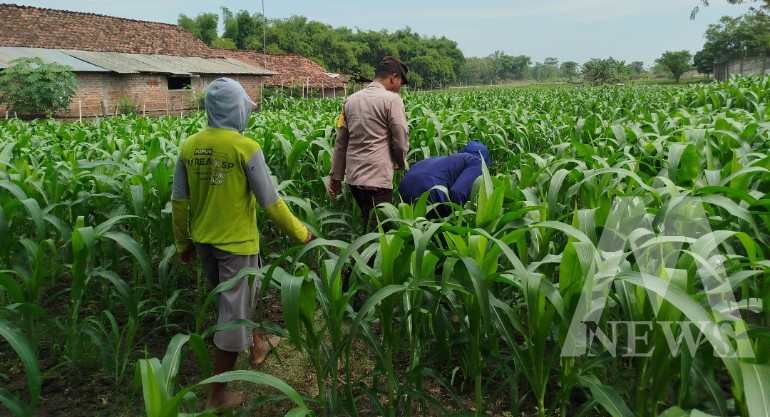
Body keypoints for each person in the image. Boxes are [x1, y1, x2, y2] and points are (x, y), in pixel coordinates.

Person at [171, 78, 312, 410]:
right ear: (235, 109)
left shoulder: (189, 146)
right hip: (237, 245)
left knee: (244, 296)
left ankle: (258, 343)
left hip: (204, 242)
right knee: (232, 316)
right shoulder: (245, 147)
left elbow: (179, 202)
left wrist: (182, 243)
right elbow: (272, 203)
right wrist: (302, 233)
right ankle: (217, 395)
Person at [328, 56, 410, 230]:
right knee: (380, 232)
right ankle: (367, 257)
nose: (399, 89)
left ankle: (361, 254)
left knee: (368, 223)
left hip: (355, 179)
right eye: (400, 83)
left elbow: (341, 142)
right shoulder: (391, 100)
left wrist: (336, 176)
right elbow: (400, 139)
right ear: (393, 77)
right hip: (378, 179)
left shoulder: (350, 100)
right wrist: (401, 163)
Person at [398, 140, 492, 214]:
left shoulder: (446, 160)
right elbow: (457, 193)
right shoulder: (477, 162)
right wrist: (457, 218)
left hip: (404, 186)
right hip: (428, 190)